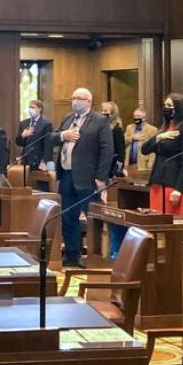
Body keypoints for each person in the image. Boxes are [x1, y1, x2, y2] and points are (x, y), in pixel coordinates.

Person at [49, 88, 113, 267]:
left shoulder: (100, 121)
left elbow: (107, 150)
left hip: (88, 177)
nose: (75, 101)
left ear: (88, 101)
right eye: (73, 97)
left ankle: (93, 257)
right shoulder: (68, 118)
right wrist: (63, 135)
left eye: (79, 98)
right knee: (68, 217)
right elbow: (51, 137)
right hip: (67, 175)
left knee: (91, 218)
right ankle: (72, 255)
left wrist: (101, 177)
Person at [141, 93, 183, 217]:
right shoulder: (163, 129)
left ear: (178, 108)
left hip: (172, 184)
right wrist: (158, 137)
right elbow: (144, 150)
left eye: (169, 105)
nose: (165, 108)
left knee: (170, 224)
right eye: (165, 105)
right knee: (154, 220)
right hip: (157, 182)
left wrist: (179, 189)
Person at [14, 99, 53, 170]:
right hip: (25, 160)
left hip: (38, 160)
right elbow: (18, 142)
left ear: (39, 109)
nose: (30, 109)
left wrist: (44, 161)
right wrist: (23, 136)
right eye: (29, 107)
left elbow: (48, 145)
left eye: (33, 107)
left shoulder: (46, 124)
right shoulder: (23, 123)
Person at [124, 107, 157, 173]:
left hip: (143, 163)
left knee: (141, 181)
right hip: (129, 162)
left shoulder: (152, 129)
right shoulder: (129, 127)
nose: (136, 118)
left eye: (138, 116)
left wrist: (151, 164)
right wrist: (132, 137)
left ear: (144, 118)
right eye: (134, 116)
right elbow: (123, 142)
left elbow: (153, 149)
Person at [100, 101, 126, 178]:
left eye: (105, 111)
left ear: (112, 113)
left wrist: (118, 166)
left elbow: (121, 149)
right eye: (102, 110)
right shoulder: (102, 126)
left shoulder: (116, 129)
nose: (102, 113)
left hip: (112, 164)